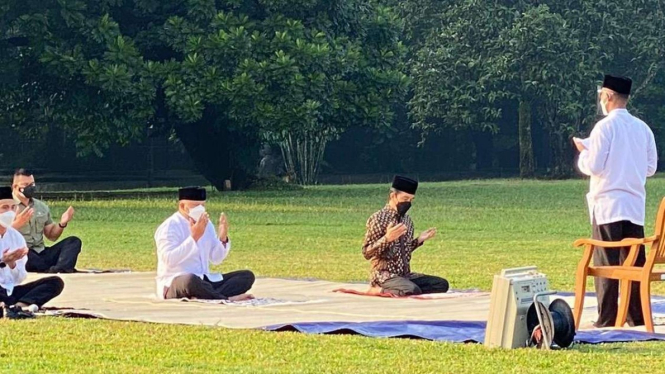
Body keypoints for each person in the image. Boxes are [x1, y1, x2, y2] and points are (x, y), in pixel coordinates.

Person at [573, 74, 658, 328]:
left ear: (608, 96)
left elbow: (595, 165)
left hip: (609, 203)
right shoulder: (642, 128)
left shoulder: (604, 127)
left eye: (602, 95)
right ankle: (636, 315)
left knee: (607, 262)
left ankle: (607, 316)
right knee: (633, 260)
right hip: (633, 204)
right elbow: (651, 167)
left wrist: (583, 154)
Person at [155, 187, 255, 301]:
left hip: (204, 280)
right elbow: (169, 260)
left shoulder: (207, 224)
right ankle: (225, 298)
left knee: (246, 276)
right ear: (183, 206)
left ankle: (206, 295)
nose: (200, 209)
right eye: (196, 206)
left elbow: (216, 258)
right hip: (175, 282)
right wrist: (194, 237)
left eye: (202, 205)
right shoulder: (170, 227)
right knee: (191, 280)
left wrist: (222, 238)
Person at [362, 176, 449, 296]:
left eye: (411, 199)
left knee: (441, 284)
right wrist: (387, 238)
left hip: (404, 275)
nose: (408, 202)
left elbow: (404, 250)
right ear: (393, 196)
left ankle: (403, 289)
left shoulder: (407, 220)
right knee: (411, 290)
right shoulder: (378, 219)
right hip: (384, 276)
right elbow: (367, 252)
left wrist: (419, 240)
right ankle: (378, 290)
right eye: (405, 198)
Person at [0, 186, 64, 318]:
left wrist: (12, 264)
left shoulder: (16, 238)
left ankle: (18, 307)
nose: (10, 212)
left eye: (13, 208)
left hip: (9, 292)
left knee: (55, 283)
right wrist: (2, 262)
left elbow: (20, 278)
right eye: (4, 208)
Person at [11, 169, 81, 273]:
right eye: (26, 184)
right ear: (15, 187)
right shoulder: (5, 205)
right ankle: (51, 268)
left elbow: (52, 236)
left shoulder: (41, 206)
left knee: (74, 241)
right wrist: (16, 224)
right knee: (25, 252)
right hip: (23, 254)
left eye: (32, 184)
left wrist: (62, 223)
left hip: (41, 252)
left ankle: (59, 269)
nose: (30, 187)